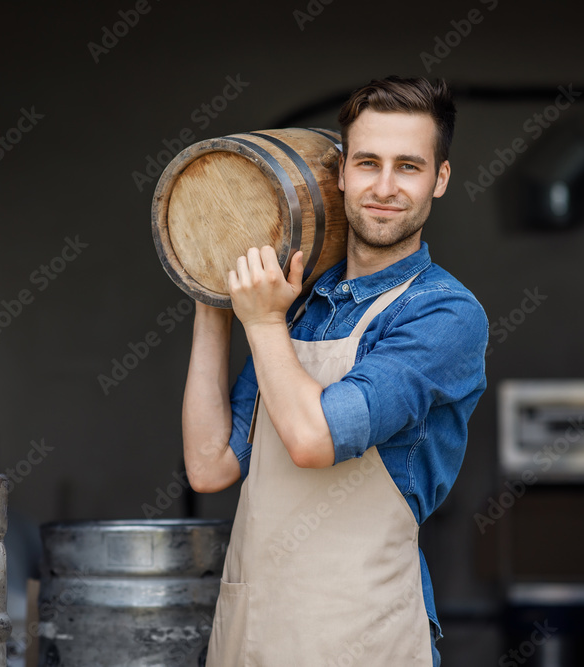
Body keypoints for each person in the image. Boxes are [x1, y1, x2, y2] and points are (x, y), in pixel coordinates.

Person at [181, 76, 487, 666]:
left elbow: (313, 440)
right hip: (255, 633)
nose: (385, 187)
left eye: (409, 167)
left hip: (361, 635)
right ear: (342, 172)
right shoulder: (300, 305)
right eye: (368, 163)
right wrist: (213, 297)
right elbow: (209, 465)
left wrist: (264, 324)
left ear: (440, 180)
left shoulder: (443, 314)